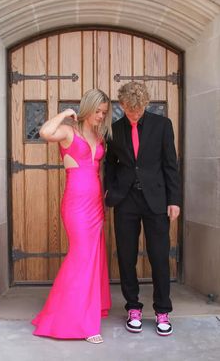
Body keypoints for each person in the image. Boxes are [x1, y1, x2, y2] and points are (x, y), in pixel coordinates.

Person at [32, 89, 112, 344]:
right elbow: (44, 132)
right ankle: (81, 323)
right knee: (80, 258)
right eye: (97, 111)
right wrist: (64, 113)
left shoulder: (99, 135)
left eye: (104, 113)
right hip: (76, 205)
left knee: (91, 259)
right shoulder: (68, 130)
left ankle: (68, 312)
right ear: (86, 108)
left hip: (95, 204)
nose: (100, 116)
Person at [104, 81, 180, 336]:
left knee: (159, 256)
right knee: (126, 256)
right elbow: (111, 164)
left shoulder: (162, 126)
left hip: (156, 200)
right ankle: (133, 307)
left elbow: (171, 165)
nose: (133, 115)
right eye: (128, 110)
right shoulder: (114, 129)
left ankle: (162, 311)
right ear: (122, 105)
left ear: (145, 105)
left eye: (137, 111)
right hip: (126, 201)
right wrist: (110, 190)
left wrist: (174, 200)